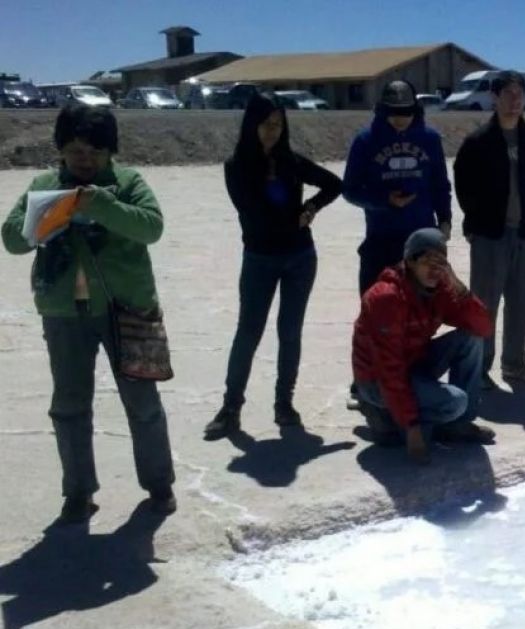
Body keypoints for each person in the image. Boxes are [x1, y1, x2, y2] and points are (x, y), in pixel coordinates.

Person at [1, 105, 176, 522]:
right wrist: (46, 217)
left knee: (142, 401)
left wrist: (102, 206)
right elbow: (11, 239)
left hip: (127, 310)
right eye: (76, 150)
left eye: (95, 152)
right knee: (69, 405)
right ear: (61, 149)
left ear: (110, 152)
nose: (85, 159)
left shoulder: (127, 183)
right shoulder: (44, 185)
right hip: (64, 314)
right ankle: (78, 492)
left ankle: (159, 485)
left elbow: (151, 227)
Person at [203, 94, 342, 440]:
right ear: (251, 125)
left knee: (289, 332)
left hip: (299, 259)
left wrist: (310, 207)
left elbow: (334, 184)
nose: (271, 131)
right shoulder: (236, 167)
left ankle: (284, 403)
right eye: (265, 124)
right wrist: (293, 217)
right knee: (248, 332)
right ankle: (230, 407)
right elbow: (254, 212)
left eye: (278, 124)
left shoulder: (291, 162)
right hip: (260, 260)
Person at [342, 80, 452, 408]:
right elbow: (350, 189)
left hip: (420, 243)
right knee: (375, 313)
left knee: (420, 313)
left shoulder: (430, 140)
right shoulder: (365, 141)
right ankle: (365, 382)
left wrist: (445, 219)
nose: (400, 119)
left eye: (406, 112)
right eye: (394, 113)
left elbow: (440, 184)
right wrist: (383, 200)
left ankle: (411, 377)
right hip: (381, 239)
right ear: (383, 110)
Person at [352, 228, 496, 465]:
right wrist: (412, 429)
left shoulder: (439, 289)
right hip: (377, 380)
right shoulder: (386, 298)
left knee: (471, 339)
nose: (433, 269)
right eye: (426, 261)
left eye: (439, 261)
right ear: (409, 262)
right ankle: (384, 415)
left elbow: (483, 328)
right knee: (455, 401)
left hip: (413, 363)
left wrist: (460, 289)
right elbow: (389, 369)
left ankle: (457, 426)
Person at [454, 70, 525, 389]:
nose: (514, 99)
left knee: (523, 303)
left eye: (519, 93)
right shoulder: (477, 142)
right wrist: (476, 224)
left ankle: (515, 364)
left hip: (524, 235)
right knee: (485, 307)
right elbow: (464, 187)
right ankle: (479, 369)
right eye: (507, 93)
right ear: (494, 97)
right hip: (490, 237)